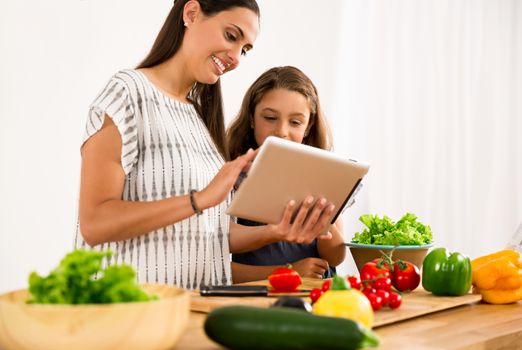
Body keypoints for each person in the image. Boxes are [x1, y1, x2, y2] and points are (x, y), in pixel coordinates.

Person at [74, 1, 336, 290]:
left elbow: (206, 234)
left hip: (188, 308)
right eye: (232, 36)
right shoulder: (128, 93)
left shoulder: (199, 117)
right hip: (129, 308)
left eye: (245, 49)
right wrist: (198, 199)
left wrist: (277, 231)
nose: (236, 58)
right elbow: (95, 223)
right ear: (191, 13)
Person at [227, 66, 347, 283]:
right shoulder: (232, 175)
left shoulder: (324, 173)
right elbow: (218, 267)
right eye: (270, 118)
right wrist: (289, 271)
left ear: (308, 126)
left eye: (295, 122)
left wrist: (323, 222)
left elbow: (336, 257)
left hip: (316, 294)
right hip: (258, 295)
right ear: (252, 118)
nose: (282, 131)